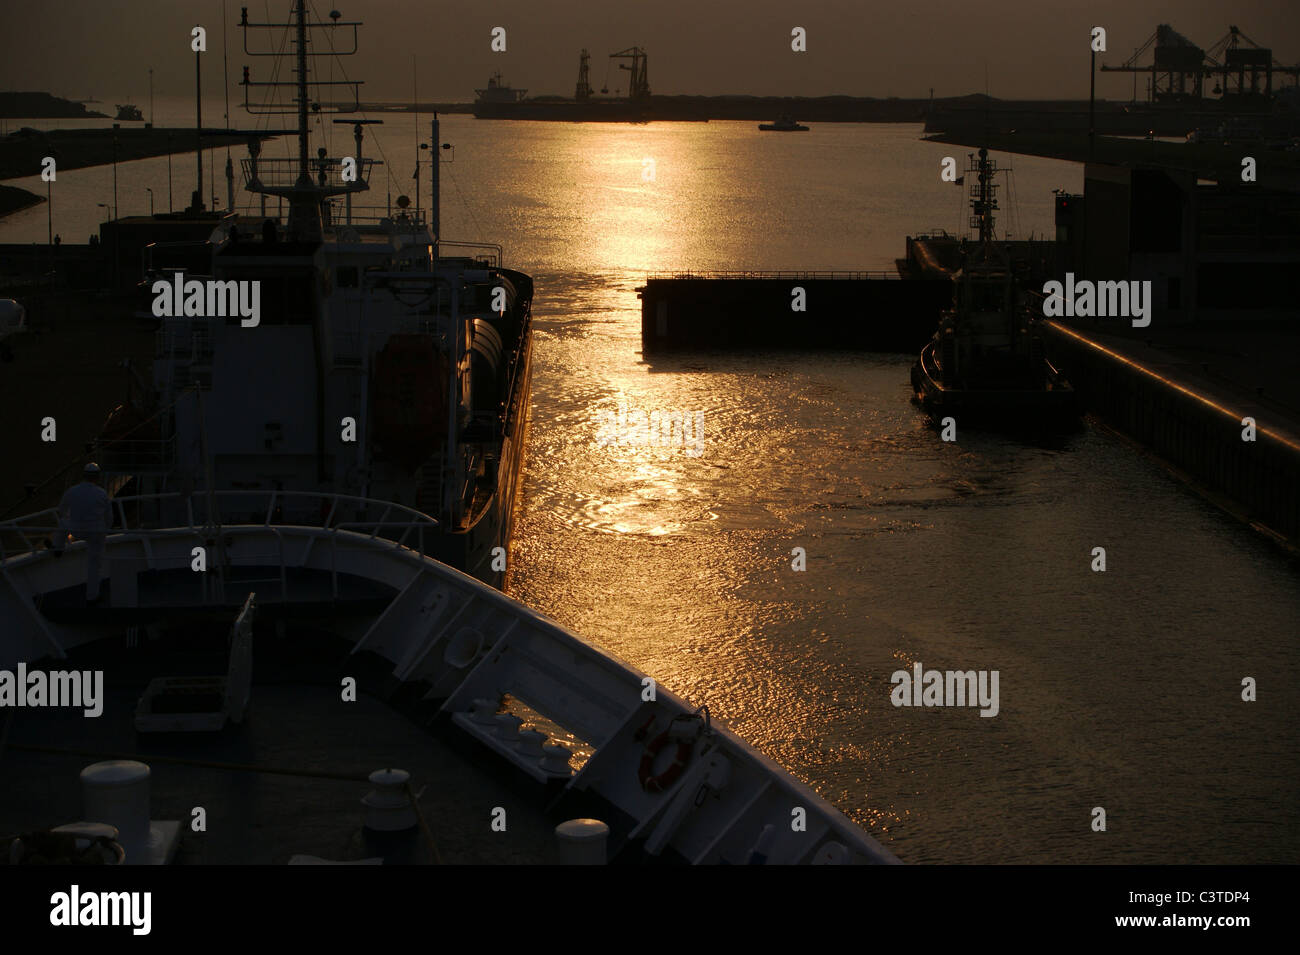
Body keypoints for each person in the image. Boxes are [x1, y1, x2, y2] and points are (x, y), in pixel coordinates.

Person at [54, 462, 112, 603]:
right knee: (94, 565)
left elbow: (61, 511)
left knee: (62, 523)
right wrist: (105, 532)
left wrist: (71, 518)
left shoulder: (71, 491)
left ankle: (58, 548)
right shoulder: (102, 494)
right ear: (97, 477)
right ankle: (92, 596)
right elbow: (109, 518)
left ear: (84, 476)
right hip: (95, 533)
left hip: (76, 530)